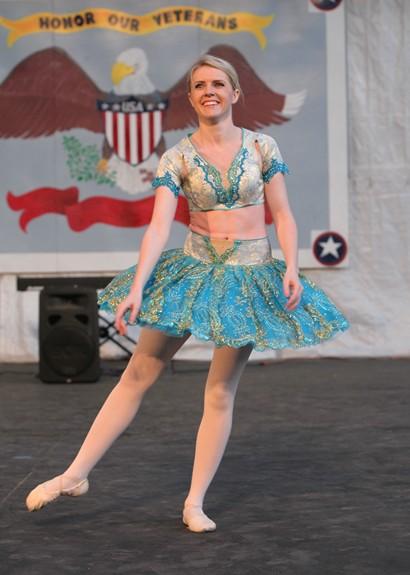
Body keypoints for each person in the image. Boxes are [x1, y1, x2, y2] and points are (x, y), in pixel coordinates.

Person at [25, 55, 349, 532]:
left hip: (246, 277)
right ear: (191, 97)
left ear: (235, 93)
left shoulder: (262, 146)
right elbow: (158, 227)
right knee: (138, 374)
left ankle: (194, 502)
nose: (208, 91)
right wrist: (138, 287)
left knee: (219, 390)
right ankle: (75, 475)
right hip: (193, 271)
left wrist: (292, 268)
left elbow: (282, 214)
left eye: (218, 83)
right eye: (199, 85)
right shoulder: (177, 156)